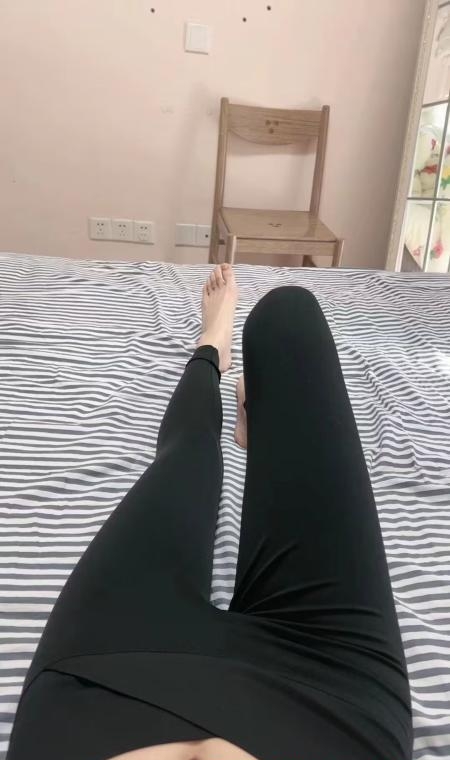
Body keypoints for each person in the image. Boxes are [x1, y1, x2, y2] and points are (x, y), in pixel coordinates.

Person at [6, 265, 413, 760]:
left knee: (188, 454)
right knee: (287, 315)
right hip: (333, 695)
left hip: (102, 677)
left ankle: (212, 347)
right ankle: (261, 429)